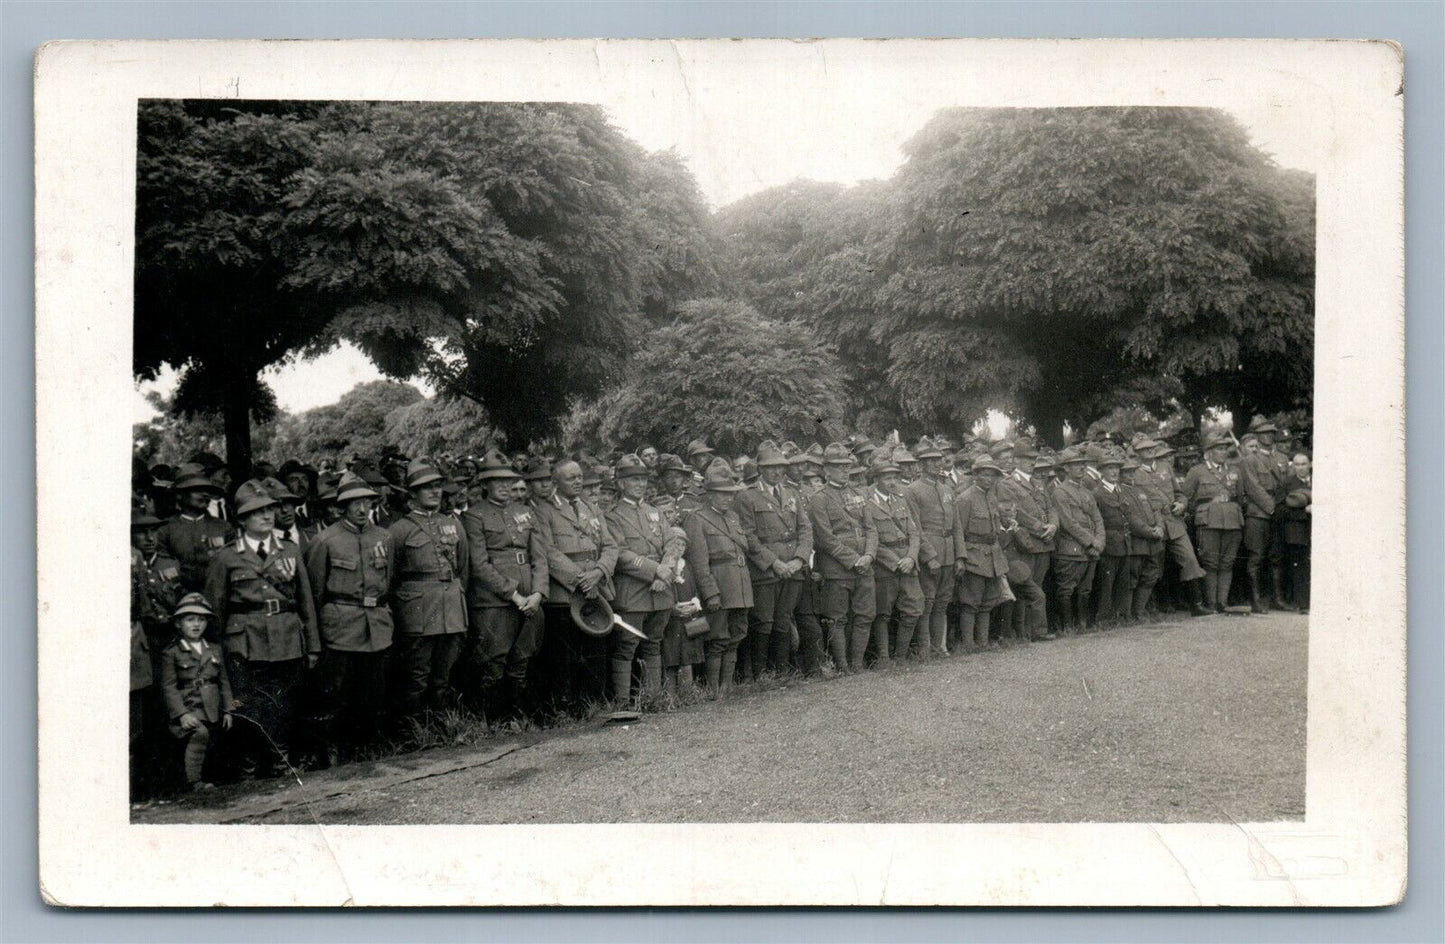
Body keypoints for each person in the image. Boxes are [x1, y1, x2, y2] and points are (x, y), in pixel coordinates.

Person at [203, 480, 318, 779]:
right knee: (249, 706)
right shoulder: (226, 557)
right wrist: (215, 649)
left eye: (269, 509)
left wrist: (313, 644)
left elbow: (306, 601)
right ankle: (249, 767)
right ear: (242, 519)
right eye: (257, 512)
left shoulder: (290, 551)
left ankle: (279, 763)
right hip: (246, 642)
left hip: (286, 638)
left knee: (283, 704)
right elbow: (215, 610)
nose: (267, 516)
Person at [303, 472, 397, 765]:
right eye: (353, 503)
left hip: (377, 627)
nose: (360, 509)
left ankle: (363, 748)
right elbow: (315, 595)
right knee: (335, 695)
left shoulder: (384, 537)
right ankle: (331, 752)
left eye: (365, 502)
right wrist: (315, 641)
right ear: (341, 506)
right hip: (340, 629)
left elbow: (388, 581)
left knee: (371, 694)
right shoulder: (325, 541)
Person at [534, 459, 619, 711]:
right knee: (565, 657)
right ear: (556, 482)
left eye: (580, 476)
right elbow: (548, 551)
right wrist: (580, 580)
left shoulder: (591, 509)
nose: (578, 481)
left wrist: (599, 572)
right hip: (566, 594)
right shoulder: (545, 510)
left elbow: (611, 546)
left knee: (596, 651)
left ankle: (595, 706)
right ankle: (568, 711)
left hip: (597, 590)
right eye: (571, 478)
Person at [388, 460, 470, 718]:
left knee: (443, 676)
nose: (435, 492)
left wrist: (454, 594)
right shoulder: (399, 530)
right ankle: (414, 733)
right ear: (412, 494)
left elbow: (463, 568)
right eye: (427, 488)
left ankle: (442, 730)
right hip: (418, 613)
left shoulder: (453, 524)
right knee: (417, 677)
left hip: (451, 611)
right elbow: (390, 577)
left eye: (437, 486)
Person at [603, 454, 683, 706]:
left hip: (661, 589)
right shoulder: (612, 515)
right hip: (633, 591)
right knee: (627, 644)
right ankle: (623, 702)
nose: (639, 484)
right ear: (620, 484)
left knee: (654, 644)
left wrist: (666, 570)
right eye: (633, 479)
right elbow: (621, 554)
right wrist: (654, 570)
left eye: (642, 480)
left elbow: (672, 543)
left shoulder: (655, 512)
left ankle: (654, 698)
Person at [734, 442, 812, 679]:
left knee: (783, 620)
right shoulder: (746, 497)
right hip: (766, 571)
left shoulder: (792, 493)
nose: (776, 472)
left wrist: (799, 559)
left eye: (780, 467)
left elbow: (805, 529)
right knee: (763, 622)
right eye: (770, 468)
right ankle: (759, 674)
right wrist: (774, 563)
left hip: (793, 568)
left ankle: (783, 670)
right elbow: (748, 536)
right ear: (760, 469)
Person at [683, 461, 753, 696]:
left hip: (740, 585)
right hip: (720, 586)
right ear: (709, 495)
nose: (727, 499)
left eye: (730, 494)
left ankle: (727, 686)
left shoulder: (733, 517)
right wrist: (710, 592)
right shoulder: (698, 519)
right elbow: (700, 562)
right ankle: (714, 689)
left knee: (736, 636)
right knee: (717, 638)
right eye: (721, 494)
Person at [808, 443, 878, 674]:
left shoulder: (859, 494)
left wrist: (868, 555)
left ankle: (857, 663)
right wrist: (853, 559)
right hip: (838, 568)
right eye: (838, 467)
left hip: (864, 564)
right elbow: (825, 538)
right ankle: (843, 665)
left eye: (847, 466)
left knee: (865, 614)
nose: (845, 471)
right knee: (837, 618)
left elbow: (871, 529)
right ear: (826, 470)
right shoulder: (819, 499)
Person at [158, 592, 234, 791]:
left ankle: (213, 779)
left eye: (201, 619)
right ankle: (194, 782)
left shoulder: (214, 649)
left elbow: (224, 682)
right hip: (188, 709)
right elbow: (169, 687)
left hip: (212, 708)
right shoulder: (172, 652)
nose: (196, 624)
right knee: (199, 733)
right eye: (190, 619)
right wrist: (181, 714)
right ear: (178, 624)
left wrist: (228, 710)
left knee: (217, 740)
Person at [1136, 440, 1211, 617]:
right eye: (1144, 449)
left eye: (1151, 447)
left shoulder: (1165, 467)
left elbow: (1180, 493)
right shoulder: (1135, 472)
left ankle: (1197, 604)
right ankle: (1157, 605)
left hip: (1174, 521)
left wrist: (1181, 504)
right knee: (1156, 565)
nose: (1149, 450)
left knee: (1190, 559)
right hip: (1153, 523)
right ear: (1137, 452)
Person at [994, 442, 1056, 641]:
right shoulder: (1007, 484)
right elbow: (1015, 513)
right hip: (1027, 543)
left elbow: (1051, 508)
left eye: (1033, 459)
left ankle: (1031, 631)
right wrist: (1041, 527)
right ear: (1016, 460)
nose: (1032, 463)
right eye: (1027, 459)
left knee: (1036, 587)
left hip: (1045, 542)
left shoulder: (1038, 483)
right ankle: (1025, 632)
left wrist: (1053, 526)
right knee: (1026, 588)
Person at [866, 457, 924, 666]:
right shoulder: (868, 502)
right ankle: (884, 658)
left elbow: (914, 533)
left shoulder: (900, 500)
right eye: (886, 478)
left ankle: (900, 655)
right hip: (885, 564)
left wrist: (910, 557)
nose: (892, 482)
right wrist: (895, 561)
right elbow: (871, 538)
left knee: (914, 607)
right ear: (876, 479)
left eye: (894, 477)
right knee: (883, 612)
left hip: (907, 561)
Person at [1181, 431, 1246, 613]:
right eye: (1219, 448)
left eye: (1225, 448)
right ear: (1208, 452)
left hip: (1232, 521)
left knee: (1227, 562)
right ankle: (1211, 603)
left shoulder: (1234, 471)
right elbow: (1185, 497)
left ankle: (1222, 603)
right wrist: (1202, 511)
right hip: (1208, 521)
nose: (1224, 452)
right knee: (1210, 563)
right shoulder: (1197, 472)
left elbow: (1240, 497)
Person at [905, 437, 956, 658]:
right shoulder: (913, 490)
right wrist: (930, 556)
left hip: (950, 552)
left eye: (939, 459)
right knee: (927, 601)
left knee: (943, 602)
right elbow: (915, 527)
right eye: (931, 460)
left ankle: (940, 647)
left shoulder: (946, 489)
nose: (937, 464)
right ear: (921, 465)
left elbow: (957, 526)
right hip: (931, 553)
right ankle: (924, 648)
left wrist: (960, 555)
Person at [953, 455, 1010, 650]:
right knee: (970, 602)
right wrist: (960, 558)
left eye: (992, 476)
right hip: (974, 556)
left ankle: (983, 642)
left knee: (987, 602)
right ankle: (969, 644)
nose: (989, 479)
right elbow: (958, 530)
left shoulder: (991, 497)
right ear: (975, 475)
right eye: (984, 475)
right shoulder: (965, 498)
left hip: (992, 555)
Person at [1050, 448, 1105, 634]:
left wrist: (1100, 541)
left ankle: (1081, 625)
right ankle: (1067, 627)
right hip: (1071, 548)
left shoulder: (1087, 492)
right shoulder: (1060, 492)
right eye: (1075, 464)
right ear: (1065, 468)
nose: (1081, 467)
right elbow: (1068, 523)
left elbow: (1097, 518)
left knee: (1085, 589)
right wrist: (1091, 542)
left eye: (1082, 464)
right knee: (1066, 589)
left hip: (1091, 549)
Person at [157, 466, 232, 593]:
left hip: (218, 595)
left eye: (208, 491)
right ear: (180, 495)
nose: (205, 495)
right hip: (178, 597)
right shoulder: (165, 529)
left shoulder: (223, 527)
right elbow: (162, 563)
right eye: (197, 490)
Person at [1238, 422, 1281, 613]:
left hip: (1275, 512)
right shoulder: (1250, 460)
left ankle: (1274, 599)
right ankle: (1255, 601)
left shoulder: (1277, 459)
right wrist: (1272, 508)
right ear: (1257, 435)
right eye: (1264, 433)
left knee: (1274, 557)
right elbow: (1253, 488)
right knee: (1256, 556)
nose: (1269, 436)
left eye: (1272, 433)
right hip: (1258, 513)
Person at [1090, 453, 1132, 628]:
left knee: (1122, 581)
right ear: (1101, 471)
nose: (1114, 471)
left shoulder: (1121, 490)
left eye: (1116, 468)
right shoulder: (1098, 493)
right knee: (1106, 583)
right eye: (1109, 468)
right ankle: (1103, 618)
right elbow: (1095, 520)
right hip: (1109, 543)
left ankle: (1119, 615)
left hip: (1125, 542)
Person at [1120, 459, 1165, 623]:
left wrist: (1160, 526)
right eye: (1126, 472)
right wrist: (1149, 531)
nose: (1130, 474)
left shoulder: (1141, 490)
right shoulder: (1120, 492)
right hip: (1138, 541)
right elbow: (1130, 518)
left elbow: (1156, 510)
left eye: (1133, 471)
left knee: (1150, 576)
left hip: (1153, 541)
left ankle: (1139, 611)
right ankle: (1128, 614)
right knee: (1133, 577)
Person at [1278, 453, 1312, 613]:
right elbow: (1280, 510)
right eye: (1297, 464)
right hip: (1297, 530)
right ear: (1292, 466)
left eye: (1304, 464)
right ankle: (1303, 604)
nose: (1301, 467)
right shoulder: (1287, 484)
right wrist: (1303, 511)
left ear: (1310, 464)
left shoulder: (1323, 480)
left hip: (1318, 529)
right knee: (1300, 567)